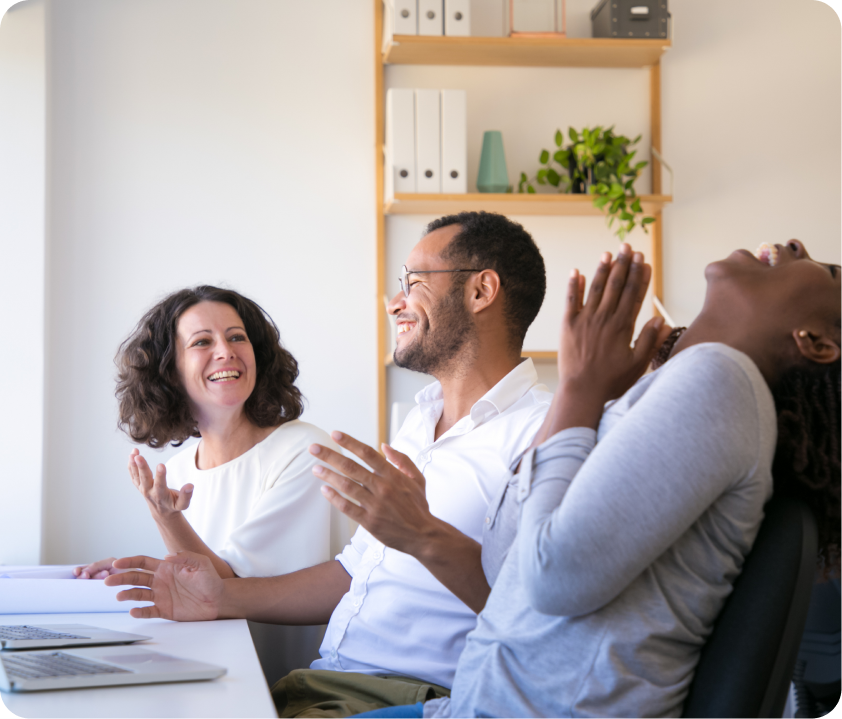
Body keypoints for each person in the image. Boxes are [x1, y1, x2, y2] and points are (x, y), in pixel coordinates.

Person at [311, 238, 842, 719]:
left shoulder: (720, 382)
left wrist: (579, 390)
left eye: (829, 272)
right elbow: (506, 564)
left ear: (816, 342)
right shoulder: (664, 392)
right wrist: (585, 397)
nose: (797, 244)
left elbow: (548, 577)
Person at [104, 211, 553, 718]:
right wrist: (220, 600)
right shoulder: (419, 423)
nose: (394, 302)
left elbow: (547, 617)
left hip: (416, 697)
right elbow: (351, 572)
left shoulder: (544, 436)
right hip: (324, 683)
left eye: (415, 282)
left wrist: (424, 534)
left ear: (481, 291)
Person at [74, 285, 339, 581]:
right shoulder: (177, 471)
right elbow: (195, 584)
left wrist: (166, 518)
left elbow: (234, 592)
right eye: (202, 342)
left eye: (237, 337)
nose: (226, 352)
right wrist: (136, 570)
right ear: (170, 372)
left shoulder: (305, 451)